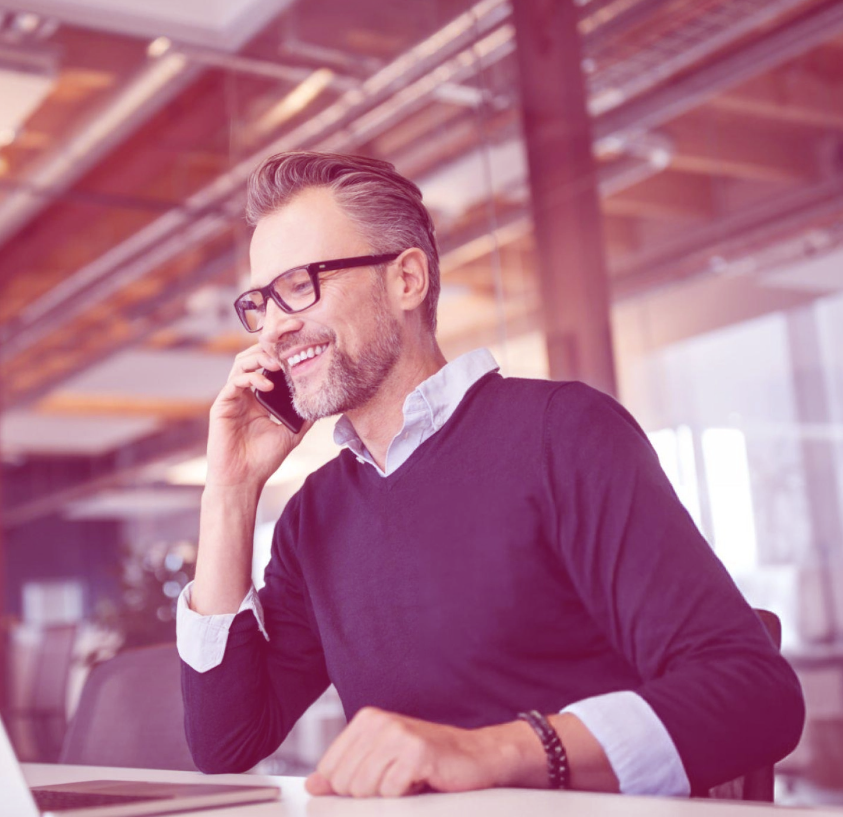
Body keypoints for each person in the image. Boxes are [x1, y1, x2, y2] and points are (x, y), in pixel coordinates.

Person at [175, 151, 804, 798]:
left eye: (301, 284)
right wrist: (229, 492)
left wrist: (496, 752)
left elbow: (755, 695)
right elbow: (227, 742)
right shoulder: (315, 516)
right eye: (259, 303)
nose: (275, 328)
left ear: (407, 280)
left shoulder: (564, 434)